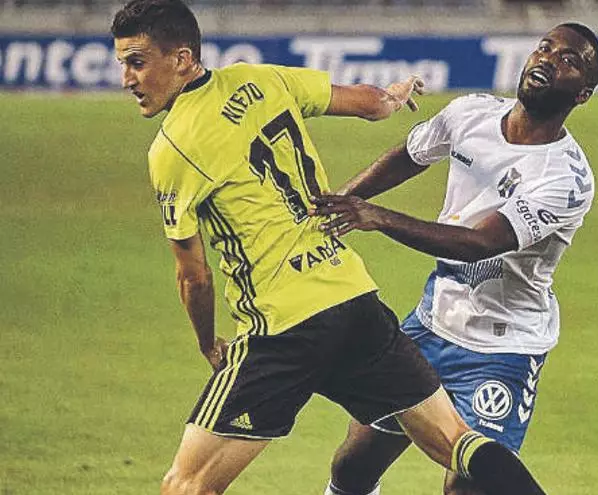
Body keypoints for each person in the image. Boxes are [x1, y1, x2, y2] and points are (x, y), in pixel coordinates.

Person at [111, 1, 547, 494]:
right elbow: (372, 104)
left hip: (281, 325)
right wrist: (394, 96)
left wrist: (207, 342)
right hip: (353, 301)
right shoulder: (260, 78)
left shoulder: (173, 148)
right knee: (457, 442)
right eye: (123, 63)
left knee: (187, 484)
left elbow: (194, 275)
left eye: (137, 62)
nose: (127, 78)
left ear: (182, 58)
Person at [310, 22, 598, 495]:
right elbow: (409, 155)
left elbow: (479, 244)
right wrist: (342, 201)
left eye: (569, 60)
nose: (549, 59)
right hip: (432, 324)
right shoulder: (471, 113)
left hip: (503, 349)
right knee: (354, 466)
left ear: (583, 93)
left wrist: (377, 218)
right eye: (545, 48)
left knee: (468, 486)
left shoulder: (566, 179)